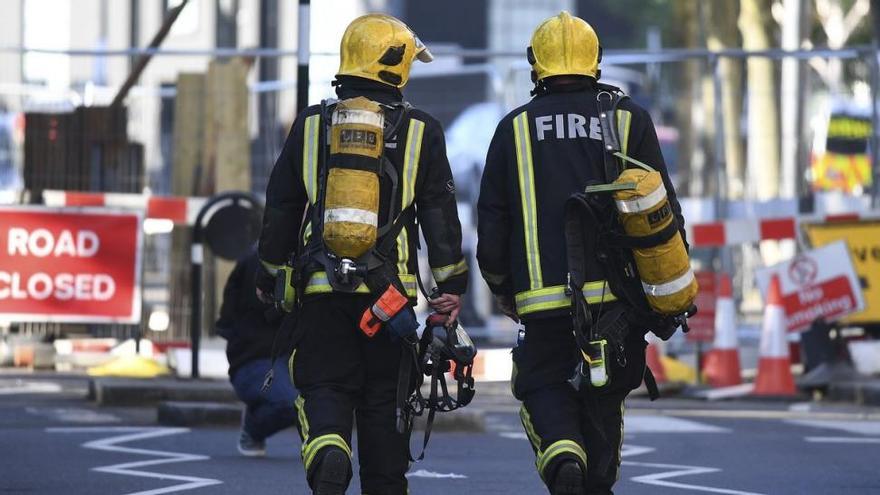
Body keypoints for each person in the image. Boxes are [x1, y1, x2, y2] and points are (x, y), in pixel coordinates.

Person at [477, 11, 688, 495]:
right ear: (597, 61)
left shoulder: (513, 130)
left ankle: (562, 455)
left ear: (535, 64)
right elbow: (664, 209)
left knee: (542, 387)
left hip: (542, 303)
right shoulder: (627, 116)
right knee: (603, 398)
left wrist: (503, 290)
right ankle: (592, 478)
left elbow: (493, 223)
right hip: (616, 306)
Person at [256, 13, 468, 495]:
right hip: (389, 304)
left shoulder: (311, 125)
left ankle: (330, 451)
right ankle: (384, 481)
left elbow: (282, 206)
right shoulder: (422, 131)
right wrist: (451, 288)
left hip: (320, 296)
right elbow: (440, 219)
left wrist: (269, 274)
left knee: (325, 389)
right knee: (384, 405)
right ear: (396, 67)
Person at [216, 248, 298, 458]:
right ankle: (253, 427)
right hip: (256, 358)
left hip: (285, 356)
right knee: (289, 402)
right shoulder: (258, 262)